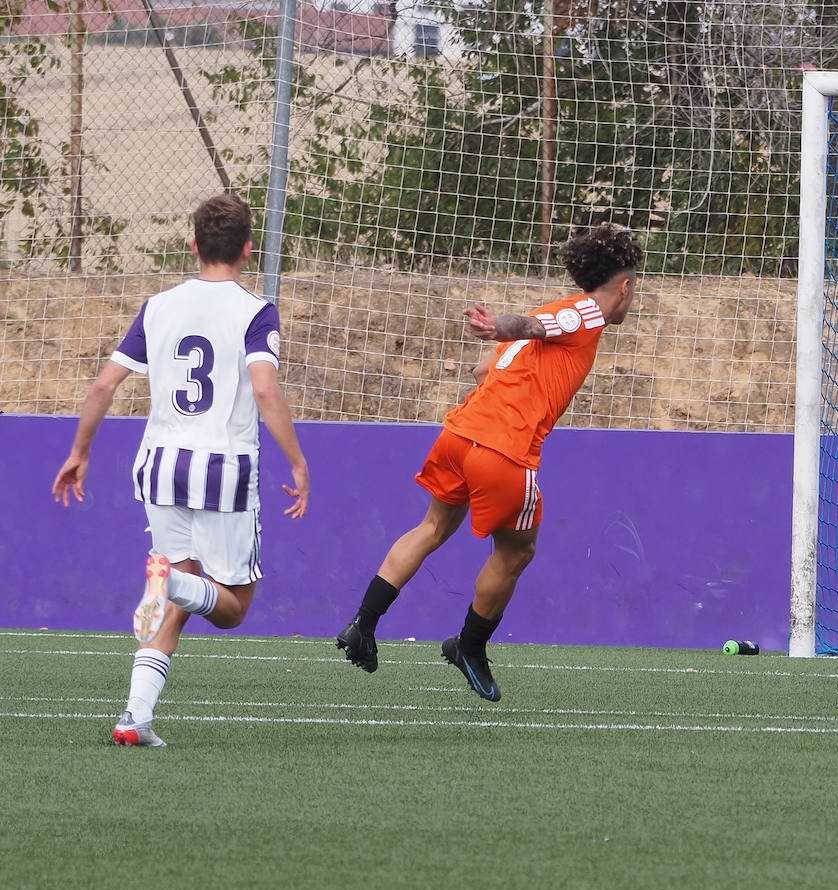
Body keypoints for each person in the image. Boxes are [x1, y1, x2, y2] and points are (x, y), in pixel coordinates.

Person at [335, 222, 644, 702]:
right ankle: (470, 645)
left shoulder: (559, 315)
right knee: (517, 551)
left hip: (459, 435)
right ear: (623, 286)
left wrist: (506, 350)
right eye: (634, 289)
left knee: (432, 528)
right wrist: (497, 326)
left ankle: (363, 625)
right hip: (503, 451)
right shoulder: (584, 313)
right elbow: (529, 327)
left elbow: (486, 368)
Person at [52, 193, 310, 745]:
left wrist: (79, 452)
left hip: (161, 467)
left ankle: (134, 719)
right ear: (248, 250)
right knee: (234, 607)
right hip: (223, 470)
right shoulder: (255, 310)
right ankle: (166, 580)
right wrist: (297, 459)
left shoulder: (159, 306)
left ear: (193, 246)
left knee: (182, 596)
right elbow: (264, 387)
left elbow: (104, 384)